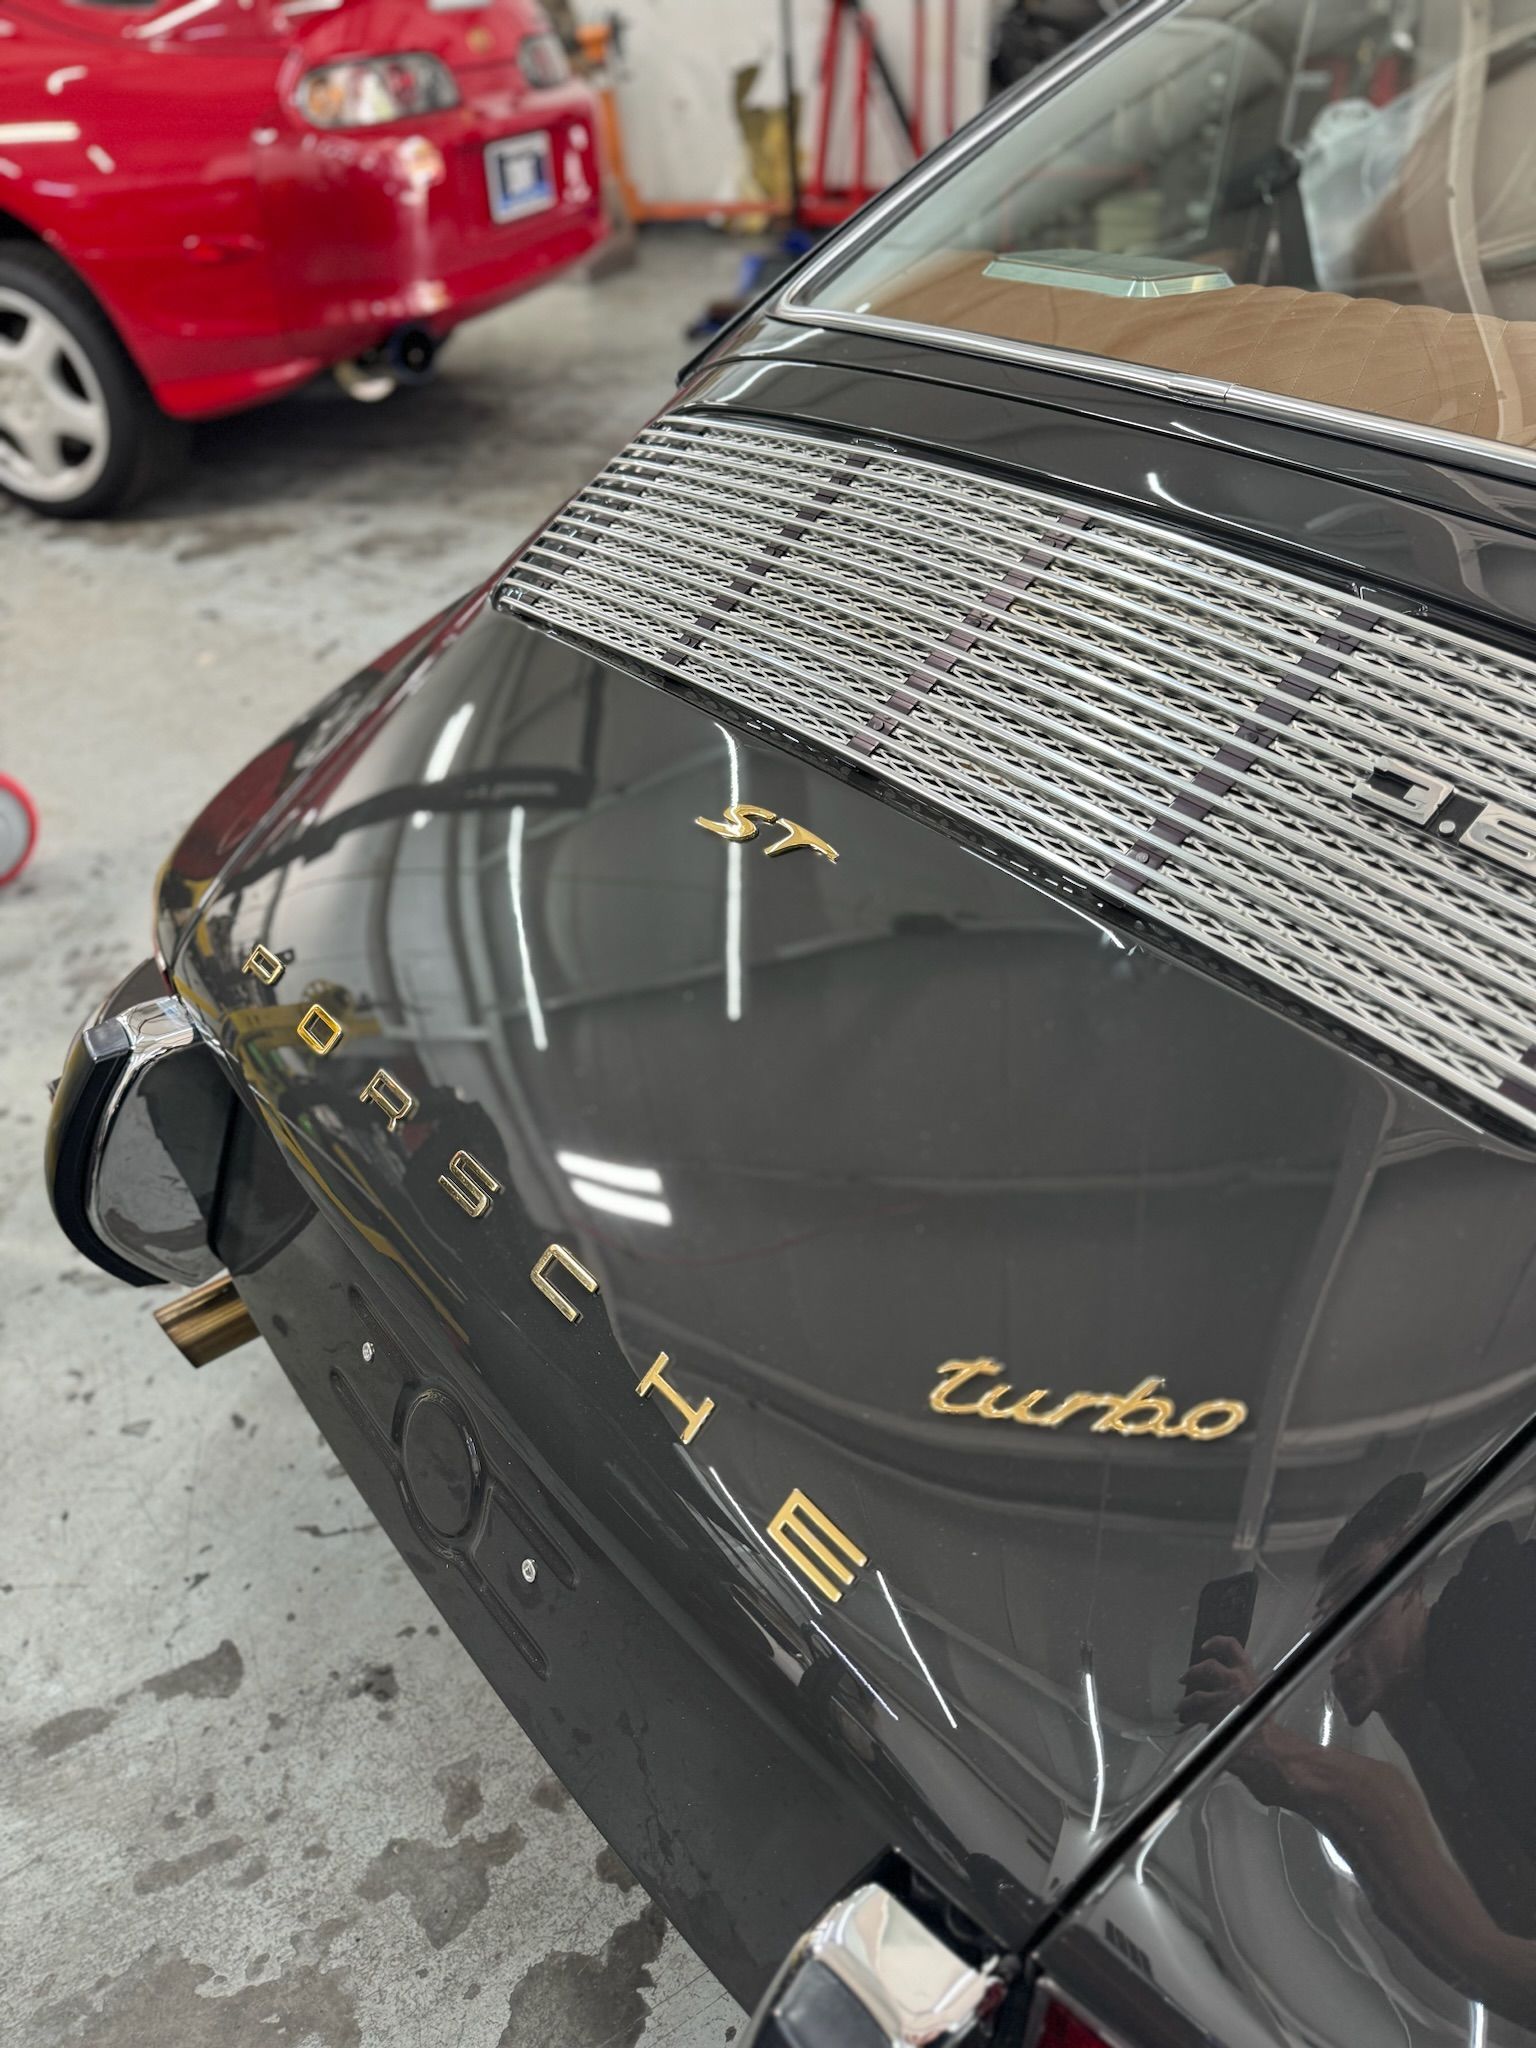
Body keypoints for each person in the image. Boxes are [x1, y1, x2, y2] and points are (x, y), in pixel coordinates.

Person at [1180, 1474, 1536, 2022]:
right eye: (1323, 1623)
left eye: (1356, 1597)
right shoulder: (1433, 1720)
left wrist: (1291, 1760)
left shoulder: (1491, 1636)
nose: (1338, 1646)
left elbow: (1486, 1953)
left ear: (1413, 1582)